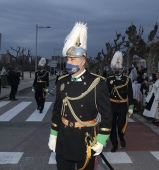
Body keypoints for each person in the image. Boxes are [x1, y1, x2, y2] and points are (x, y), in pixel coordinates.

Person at [48, 22, 112, 170]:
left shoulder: (97, 83)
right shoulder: (62, 81)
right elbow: (57, 111)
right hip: (64, 138)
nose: (68, 63)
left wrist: (101, 140)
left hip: (85, 139)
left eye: (72, 60)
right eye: (67, 59)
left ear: (83, 61)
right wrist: (53, 134)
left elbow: (107, 115)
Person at [106, 51, 134, 152]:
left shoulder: (127, 80)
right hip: (112, 105)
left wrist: (131, 107)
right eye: (116, 69)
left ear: (123, 69)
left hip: (122, 105)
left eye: (119, 69)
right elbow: (106, 94)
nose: (117, 70)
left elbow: (130, 94)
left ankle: (121, 137)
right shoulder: (109, 80)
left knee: (121, 125)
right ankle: (115, 144)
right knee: (112, 126)